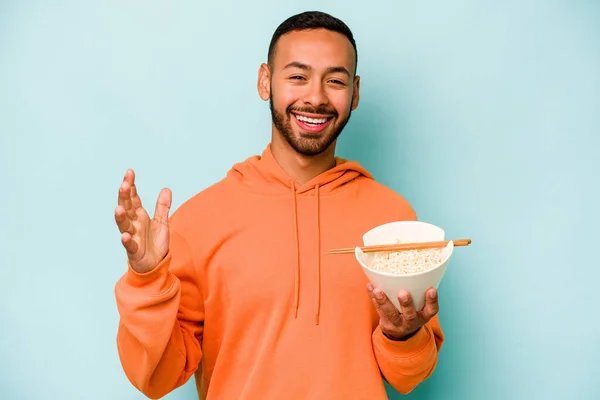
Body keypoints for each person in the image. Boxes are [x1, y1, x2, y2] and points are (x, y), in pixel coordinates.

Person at [113, 10, 444, 400]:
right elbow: (156, 378)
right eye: (298, 76)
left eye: (334, 80)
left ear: (354, 93)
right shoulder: (200, 220)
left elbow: (410, 376)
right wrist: (147, 280)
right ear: (265, 81)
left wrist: (401, 335)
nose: (316, 97)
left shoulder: (393, 219)